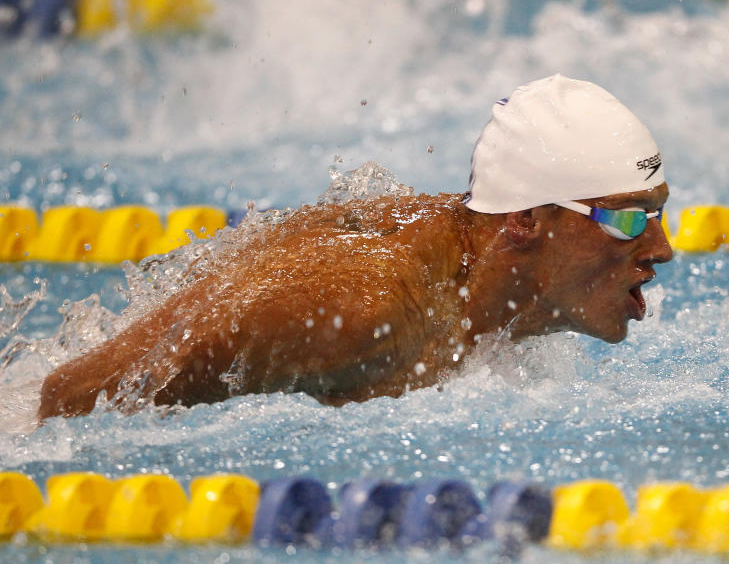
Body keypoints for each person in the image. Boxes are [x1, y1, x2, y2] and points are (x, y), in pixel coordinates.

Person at [37, 74, 673, 419]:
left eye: (660, 213)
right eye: (627, 220)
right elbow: (69, 398)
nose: (662, 248)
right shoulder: (358, 310)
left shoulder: (501, 295)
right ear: (528, 220)